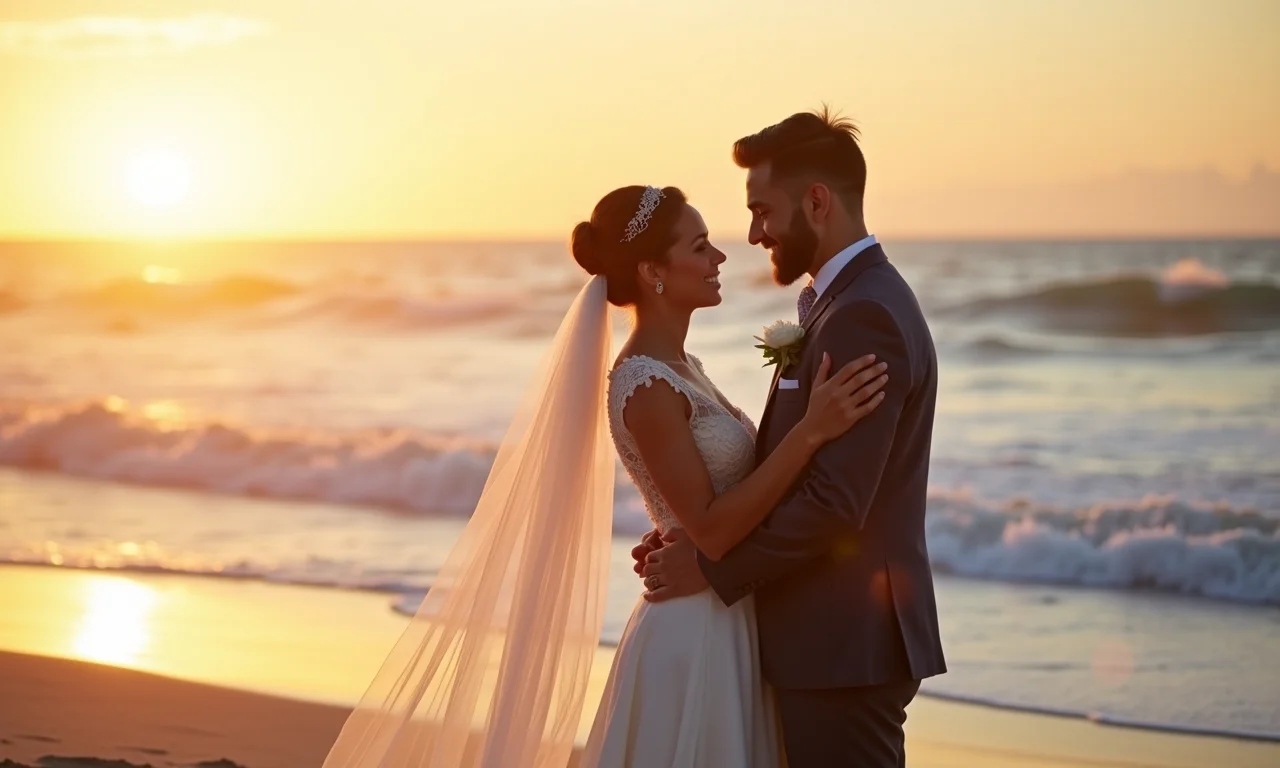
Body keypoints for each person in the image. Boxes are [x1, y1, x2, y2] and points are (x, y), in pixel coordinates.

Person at [634, 108, 947, 767]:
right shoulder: (844, 302)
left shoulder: (865, 315)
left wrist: (714, 566)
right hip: (827, 644)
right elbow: (798, 470)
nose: (753, 234)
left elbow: (835, 504)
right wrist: (689, 525)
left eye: (762, 211)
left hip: (845, 645)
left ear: (816, 202)